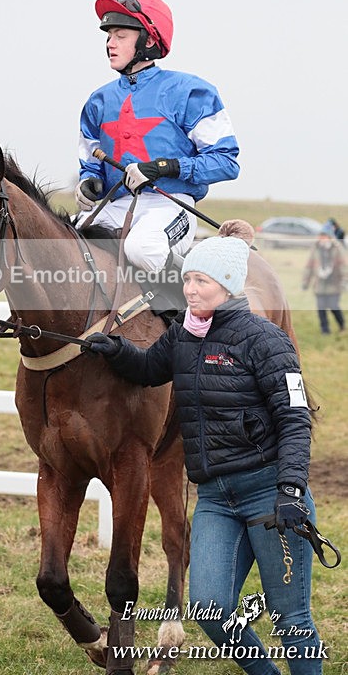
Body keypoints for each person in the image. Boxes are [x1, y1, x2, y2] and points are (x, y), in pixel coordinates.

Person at [87, 228, 323, 674]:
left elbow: (295, 419)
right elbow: (150, 368)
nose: (191, 290)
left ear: (229, 285)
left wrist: (291, 488)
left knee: (292, 618)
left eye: (203, 282)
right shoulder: (184, 335)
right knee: (210, 610)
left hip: (269, 493)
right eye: (188, 280)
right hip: (215, 497)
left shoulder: (266, 340)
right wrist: (115, 350)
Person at [75, 0, 240, 276]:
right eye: (108, 36)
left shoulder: (192, 92)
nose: (110, 44)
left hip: (172, 205)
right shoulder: (97, 101)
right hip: (116, 204)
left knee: (142, 248)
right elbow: (91, 162)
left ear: (148, 41)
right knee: (62, 243)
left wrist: (164, 167)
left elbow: (226, 162)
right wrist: (89, 182)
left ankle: (192, 307)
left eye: (120, 36)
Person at [303, 224, 345, 334]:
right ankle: (325, 330)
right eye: (321, 236)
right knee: (321, 308)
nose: (322, 238)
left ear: (330, 237)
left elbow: (343, 266)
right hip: (319, 284)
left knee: (334, 306)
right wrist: (306, 282)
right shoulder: (316, 248)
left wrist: (345, 280)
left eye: (324, 236)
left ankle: (342, 325)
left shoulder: (337, 248)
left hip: (334, 284)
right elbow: (310, 266)